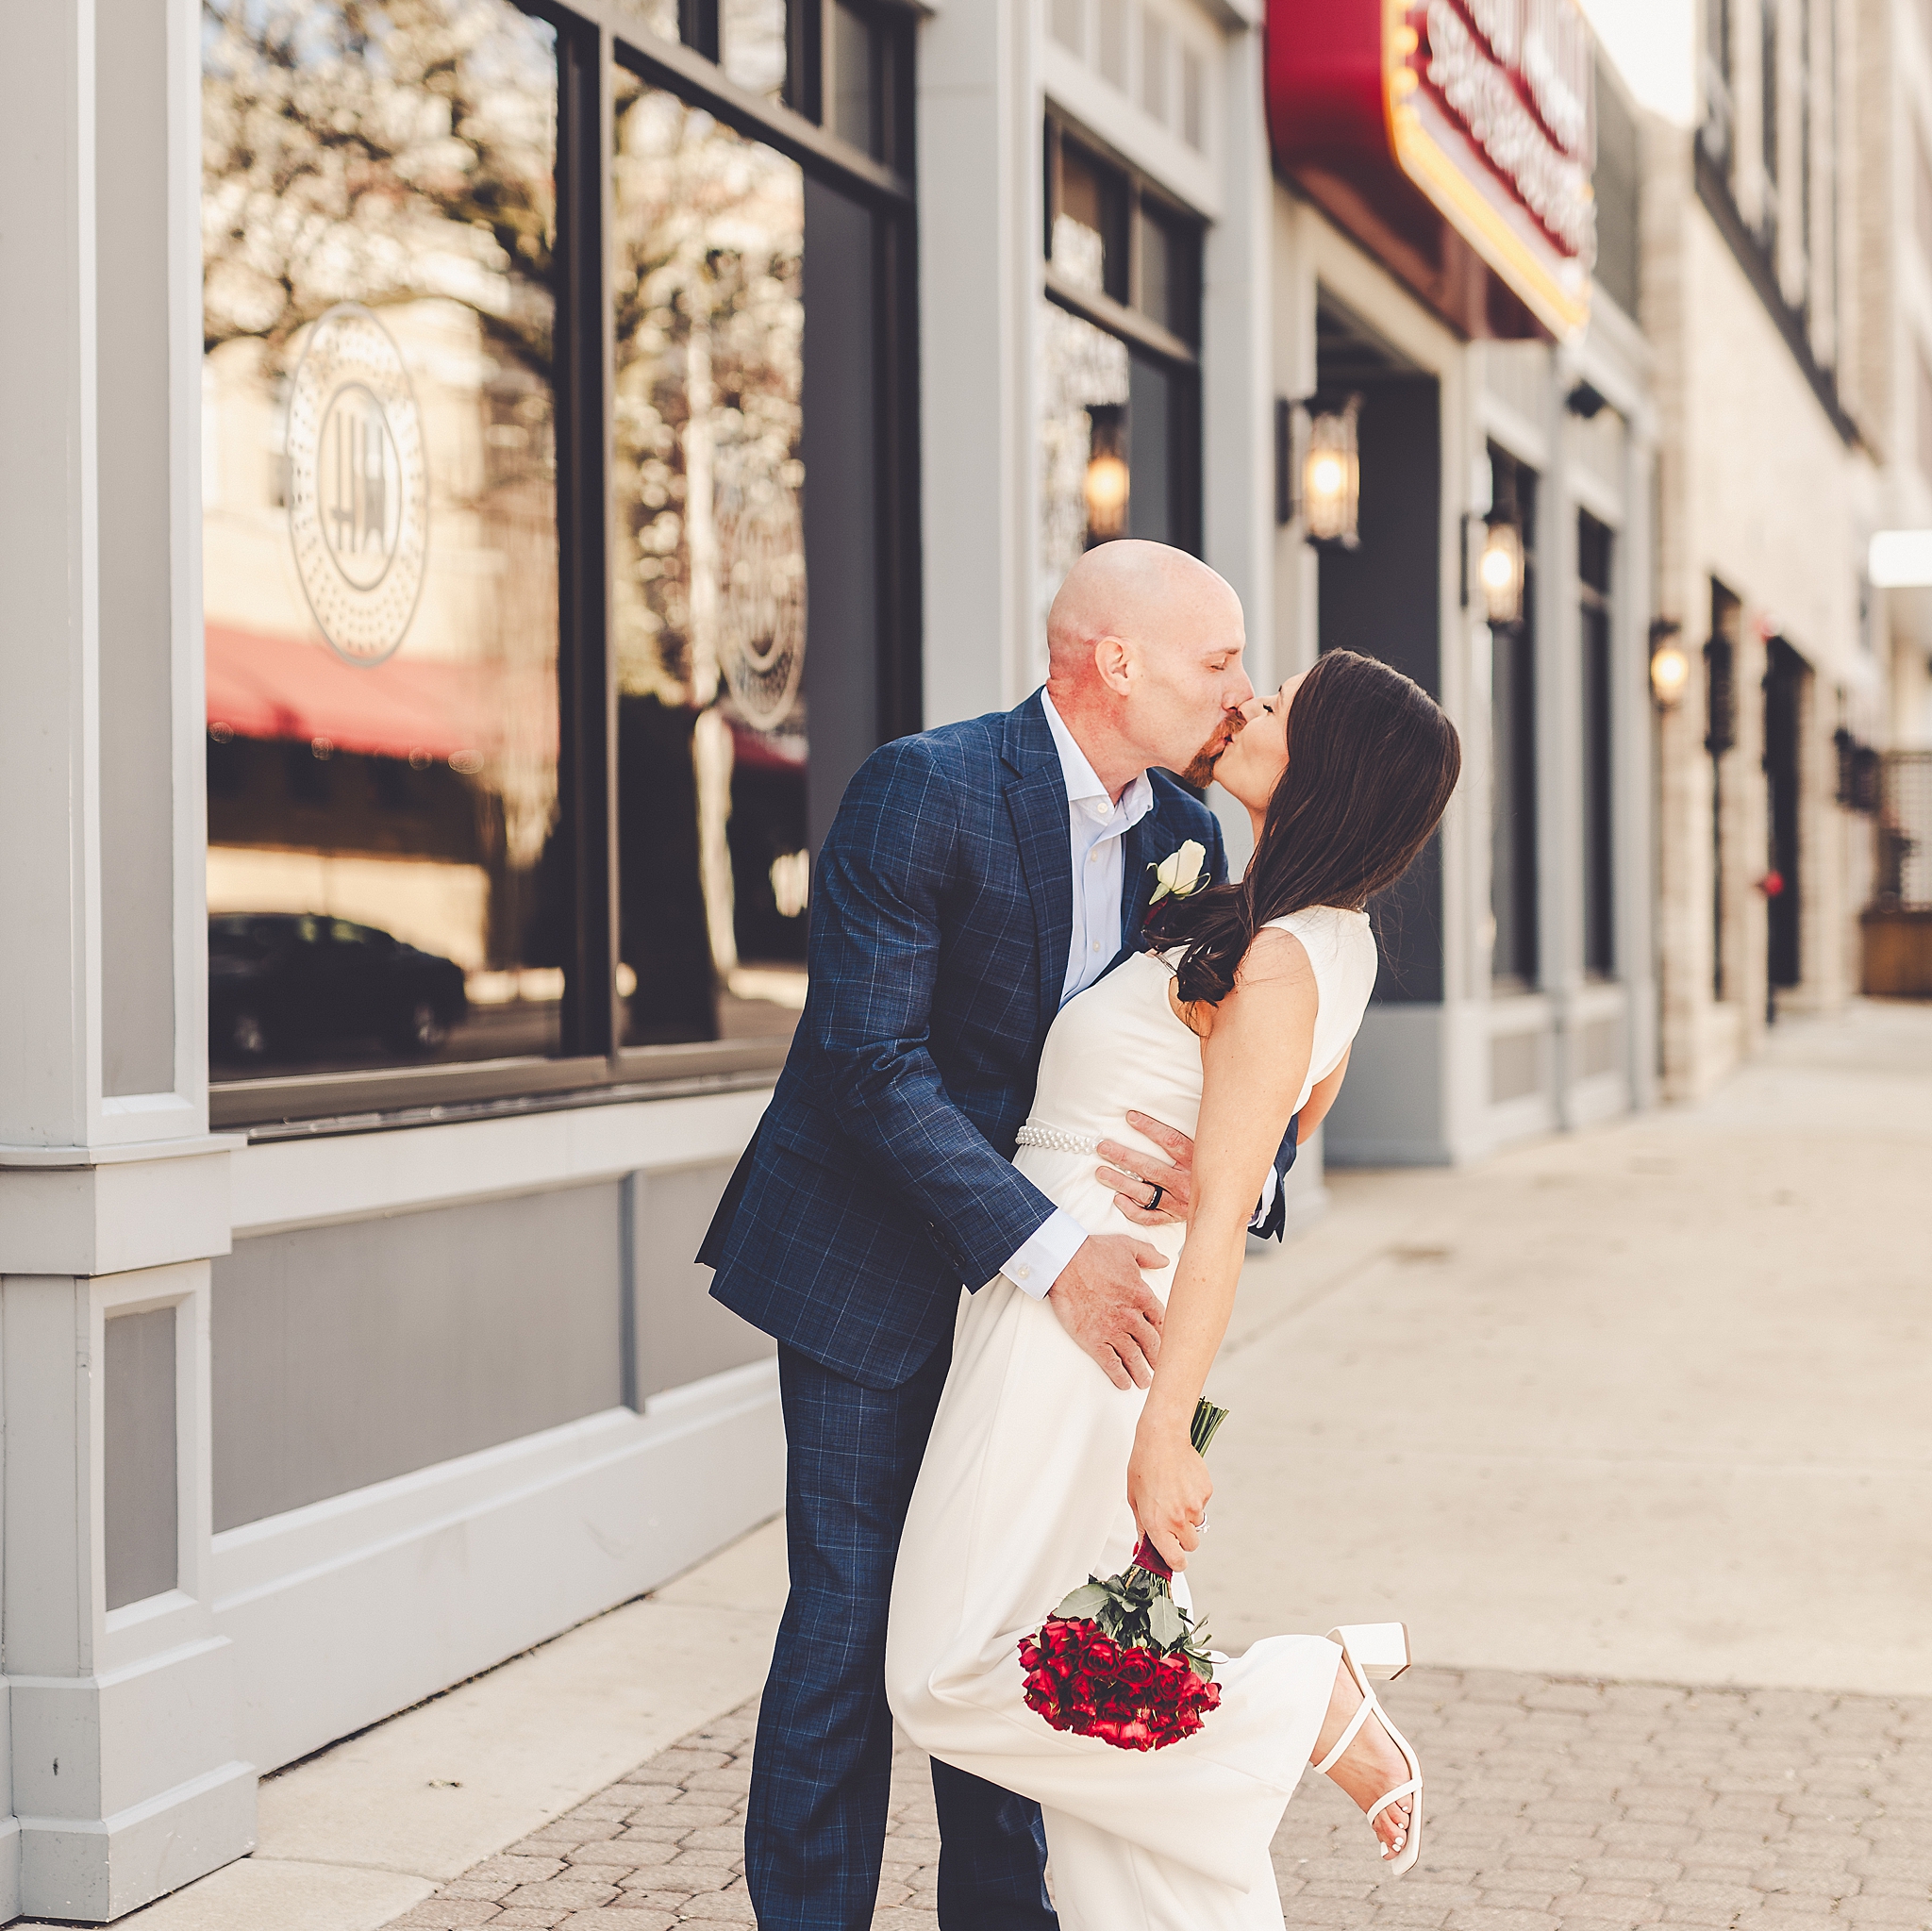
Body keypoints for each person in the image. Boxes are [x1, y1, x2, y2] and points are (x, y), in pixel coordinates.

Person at [698, 541, 1303, 1930]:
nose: (1241, 691)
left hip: (1053, 1313)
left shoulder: (1179, 841)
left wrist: (1225, 1185)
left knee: (1015, 1633)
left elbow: (1243, 1071)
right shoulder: (930, 788)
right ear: (1116, 663)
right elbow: (868, 1066)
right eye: (1219, 662)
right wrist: (1052, 1253)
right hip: (871, 1274)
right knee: (847, 1638)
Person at [885, 648, 1462, 1929]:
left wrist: (1165, 1435)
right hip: (1074, 1278)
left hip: (1089, 1315)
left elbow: (1231, 1223)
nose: (1250, 705)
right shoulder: (1314, 934)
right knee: (1108, 1690)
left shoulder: (1283, 959)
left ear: (1333, 775)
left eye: (1282, 708)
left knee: (944, 1673)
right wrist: (1224, 1174)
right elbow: (1272, 1152)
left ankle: (1298, 1700)